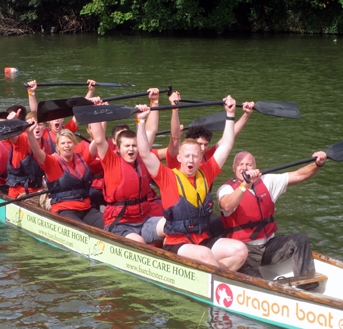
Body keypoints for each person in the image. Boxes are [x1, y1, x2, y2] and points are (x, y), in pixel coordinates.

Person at [137, 96, 248, 270]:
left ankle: (216, 279)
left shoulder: (207, 172)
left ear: (200, 158)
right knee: (205, 255)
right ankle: (218, 282)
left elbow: (226, 144)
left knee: (240, 250)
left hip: (203, 239)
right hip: (177, 243)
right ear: (180, 158)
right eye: (187, 156)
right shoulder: (167, 176)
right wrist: (140, 121)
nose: (191, 160)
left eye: (195, 156)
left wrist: (230, 113)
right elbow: (144, 153)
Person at [216, 150, 327, 282]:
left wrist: (317, 164)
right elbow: (227, 205)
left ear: (256, 168)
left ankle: (305, 284)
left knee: (300, 240)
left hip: (269, 247)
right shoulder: (226, 189)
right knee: (257, 282)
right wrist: (244, 185)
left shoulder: (267, 181)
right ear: (234, 168)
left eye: (249, 164)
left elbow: (299, 175)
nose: (244, 167)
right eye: (240, 164)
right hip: (246, 251)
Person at [90, 91, 165, 244]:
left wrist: (153, 104)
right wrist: (95, 111)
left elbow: (150, 131)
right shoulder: (111, 161)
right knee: (138, 242)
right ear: (117, 148)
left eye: (134, 146)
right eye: (127, 146)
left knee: (172, 225)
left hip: (144, 220)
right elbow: (99, 139)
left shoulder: (142, 158)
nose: (131, 149)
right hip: (119, 224)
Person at [26, 121, 104, 229]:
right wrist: (30, 134)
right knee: (82, 229)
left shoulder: (83, 158)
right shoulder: (52, 162)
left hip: (86, 209)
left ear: (74, 144)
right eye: (63, 143)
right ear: (57, 146)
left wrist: (99, 116)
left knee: (110, 225)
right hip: (64, 210)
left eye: (69, 142)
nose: (66, 146)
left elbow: (98, 139)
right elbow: (37, 151)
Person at [6, 111, 45, 198]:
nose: (37, 127)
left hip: (40, 191)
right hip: (19, 193)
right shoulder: (21, 139)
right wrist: (12, 122)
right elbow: (12, 136)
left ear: (44, 127)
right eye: (33, 124)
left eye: (40, 124)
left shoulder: (48, 144)